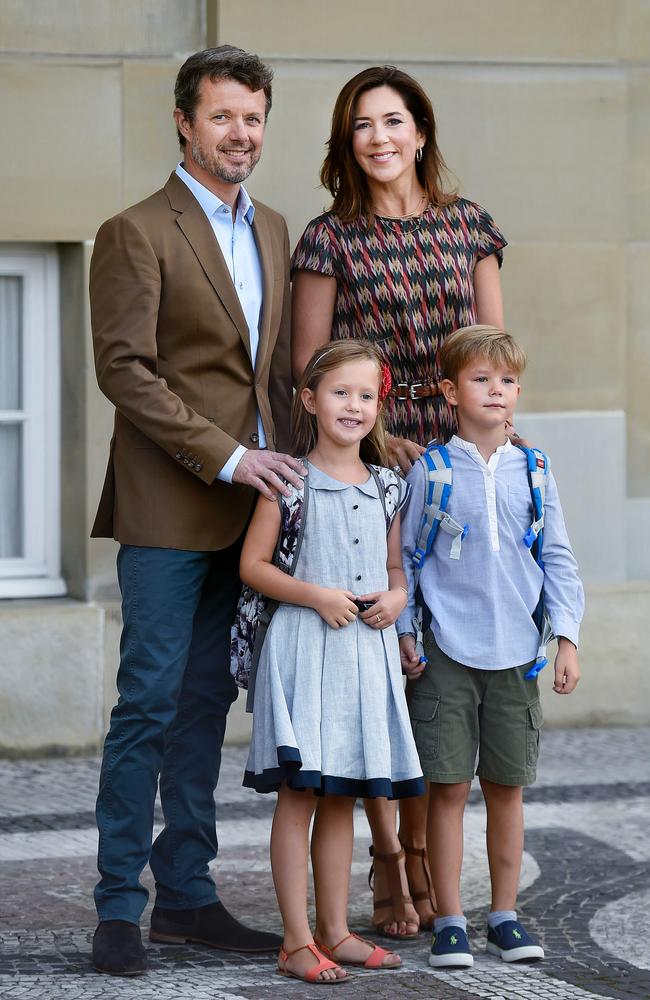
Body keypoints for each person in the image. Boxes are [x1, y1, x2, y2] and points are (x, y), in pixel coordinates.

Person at [88, 46, 306, 977]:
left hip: (253, 514)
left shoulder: (276, 228)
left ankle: (185, 896)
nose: (240, 134)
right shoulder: (136, 230)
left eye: (252, 118)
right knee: (146, 704)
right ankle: (116, 909)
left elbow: (278, 373)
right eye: (223, 117)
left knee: (205, 707)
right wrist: (227, 456)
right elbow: (124, 371)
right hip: (171, 505)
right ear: (185, 120)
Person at [291, 64, 507, 938]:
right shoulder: (327, 238)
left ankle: (423, 859)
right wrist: (372, 450)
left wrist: (490, 457)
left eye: (393, 121)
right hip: (369, 463)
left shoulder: (470, 227)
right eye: (361, 126)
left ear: (421, 132)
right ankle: (388, 858)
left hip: (455, 464)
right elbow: (307, 374)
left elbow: (496, 353)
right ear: (347, 145)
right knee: (382, 659)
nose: (379, 138)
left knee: (439, 665)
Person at [240, 339, 425, 984]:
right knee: (300, 795)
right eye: (340, 392)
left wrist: (396, 599)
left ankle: (337, 931)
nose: (354, 406)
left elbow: (398, 569)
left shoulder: (389, 486)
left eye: (367, 395)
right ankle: (296, 940)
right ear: (310, 400)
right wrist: (317, 595)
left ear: (381, 404)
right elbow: (253, 566)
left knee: (344, 796)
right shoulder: (288, 482)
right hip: (302, 648)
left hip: (362, 656)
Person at [398, 325, 583, 968]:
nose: (496, 390)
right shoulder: (432, 469)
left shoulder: (535, 471)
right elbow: (408, 561)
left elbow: (556, 557)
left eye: (507, 381)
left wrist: (567, 639)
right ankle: (450, 919)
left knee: (507, 788)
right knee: (446, 790)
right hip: (448, 651)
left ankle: (504, 914)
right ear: (451, 391)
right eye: (481, 379)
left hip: (517, 652)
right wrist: (406, 636)